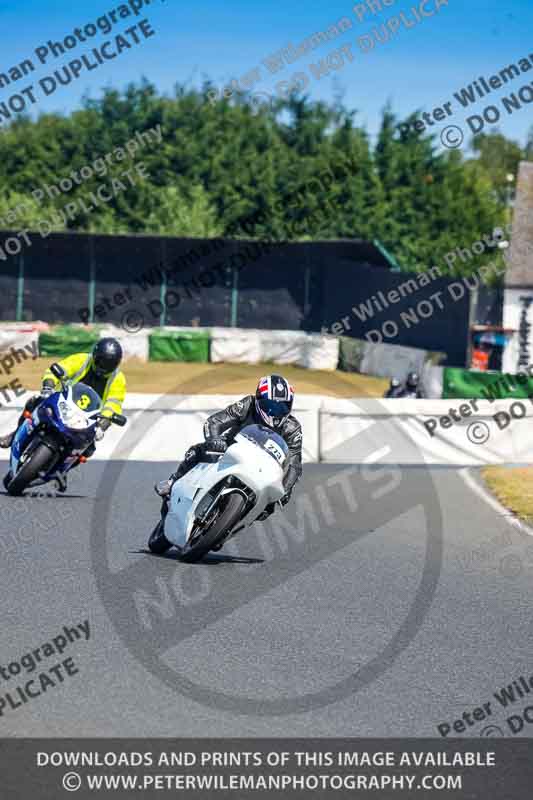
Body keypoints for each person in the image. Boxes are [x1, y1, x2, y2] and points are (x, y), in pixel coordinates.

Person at [155, 374, 303, 520]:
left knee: (268, 509)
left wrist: (285, 489)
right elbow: (215, 421)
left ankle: (229, 528)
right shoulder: (247, 405)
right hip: (231, 451)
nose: (275, 412)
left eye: (282, 407)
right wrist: (214, 440)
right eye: (270, 406)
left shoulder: (292, 428)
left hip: (264, 469)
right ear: (258, 400)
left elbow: (294, 464)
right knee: (197, 450)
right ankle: (173, 481)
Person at [0, 338, 126, 460]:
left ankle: (62, 470)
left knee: (88, 450)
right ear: (94, 356)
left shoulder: (118, 379)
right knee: (34, 402)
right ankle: (15, 434)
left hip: (88, 418)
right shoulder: (82, 359)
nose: (103, 367)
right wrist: (48, 387)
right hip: (61, 400)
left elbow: (114, 404)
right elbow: (57, 370)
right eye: (100, 361)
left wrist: (102, 425)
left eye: (109, 364)